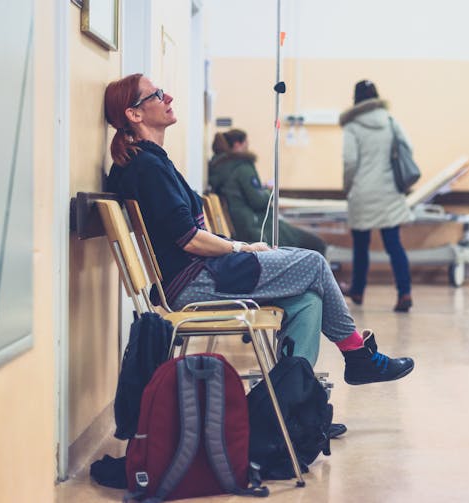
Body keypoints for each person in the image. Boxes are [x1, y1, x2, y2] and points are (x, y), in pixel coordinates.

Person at [103, 73, 414, 389]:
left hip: (202, 274)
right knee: (315, 263)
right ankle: (358, 356)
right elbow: (190, 239)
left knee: (308, 301)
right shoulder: (148, 167)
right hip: (194, 283)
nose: (168, 98)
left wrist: (240, 247)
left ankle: (291, 406)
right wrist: (242, 247)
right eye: (157, 95)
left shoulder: (151, 163)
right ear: (134, 114)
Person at [339, 80, 414, 313]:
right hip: (389, 191)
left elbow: (350, 161)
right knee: (394, 244)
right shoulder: (390, 122)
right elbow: (407, 149)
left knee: (361, 245)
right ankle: (404, 293)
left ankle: (358, 290)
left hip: (362, 191)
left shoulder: (352, 126)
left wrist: (347, 186)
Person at [208, 129, 327, 255]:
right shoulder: (242, 168)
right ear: (238, 145)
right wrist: (269, 192)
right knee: (317, 244)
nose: (248, 147)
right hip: (259, 229)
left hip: (244, 226)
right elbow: (258, 201)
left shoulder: (219, 169)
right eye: (246, 144)